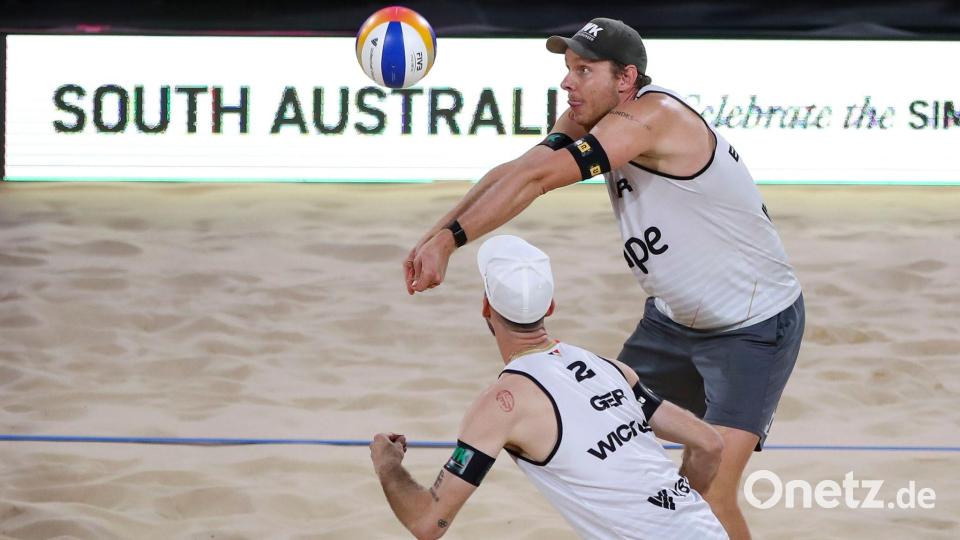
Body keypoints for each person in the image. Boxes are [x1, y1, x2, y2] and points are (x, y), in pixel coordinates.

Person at [403, 17, 805, 540]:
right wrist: (435, 237)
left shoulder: (652, 117)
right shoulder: (593, 116)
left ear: (625, 78)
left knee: (710, 493)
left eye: (583, 70)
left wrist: (452, 240)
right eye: (568, 69)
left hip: (752, 329)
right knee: (613, 458)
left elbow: (541, 181)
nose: (568, 82)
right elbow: (519, 170)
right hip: (669, 324)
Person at [372, 235, 728, 539]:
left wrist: (388, 466)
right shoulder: (610, 368)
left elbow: (427, 523)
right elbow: (709, 444)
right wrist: (671, 510)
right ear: (551, 306)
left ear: (485, 307)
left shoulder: (501, 404)